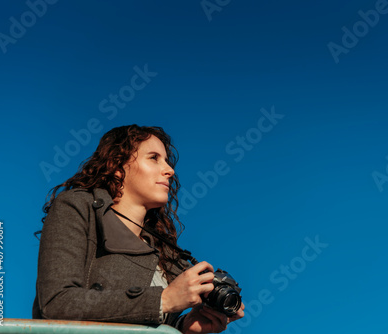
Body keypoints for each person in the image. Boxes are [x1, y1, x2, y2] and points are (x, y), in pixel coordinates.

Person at [32, 124, 245, 333]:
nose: (169, 170)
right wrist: (163, 301)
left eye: (167, 161)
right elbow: (56, 303)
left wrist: (184, 326)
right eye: (154, 158)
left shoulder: (164, 252)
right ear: (117, 167)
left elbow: (144, 322)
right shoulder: (78, 207)